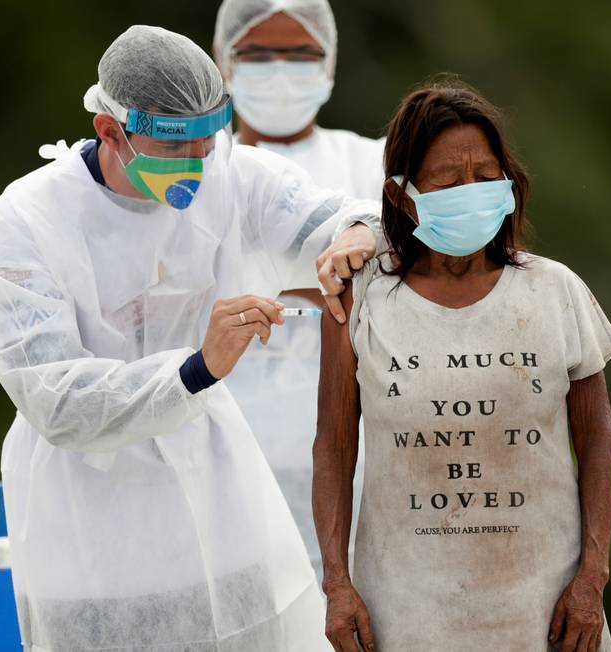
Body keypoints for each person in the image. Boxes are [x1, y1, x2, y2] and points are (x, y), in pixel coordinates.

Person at [0, 25, 380, 652]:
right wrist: (195, 369)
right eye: (174, 147)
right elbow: (55, 398)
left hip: (218, 503)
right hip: (88, 530)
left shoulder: (230, 176)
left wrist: (354, 234)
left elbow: (340, 215)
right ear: (110, 131)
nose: (194, 165)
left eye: (205, 144)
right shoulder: (26, 224)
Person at [313, 80, 611, 651]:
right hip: (405, 612)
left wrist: (592, 579)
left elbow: (598, 439)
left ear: (509, 185)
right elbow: (333, 447)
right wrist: (336, 585)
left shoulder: (555, 291)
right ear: (404, 195)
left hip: (545, 609)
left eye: (485, 177)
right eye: (449, 181)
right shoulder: (362, 300)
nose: (471, 191)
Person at [213, 0, 384, 578]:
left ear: (329, 63)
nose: (280, 69)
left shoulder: (376, 162)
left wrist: (278, 282)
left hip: (363, 455)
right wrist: (328, 281)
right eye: (258, 54)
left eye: (300, 53)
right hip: (229, 456)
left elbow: (412, 274)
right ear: (224, 62)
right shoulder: (198, 171)